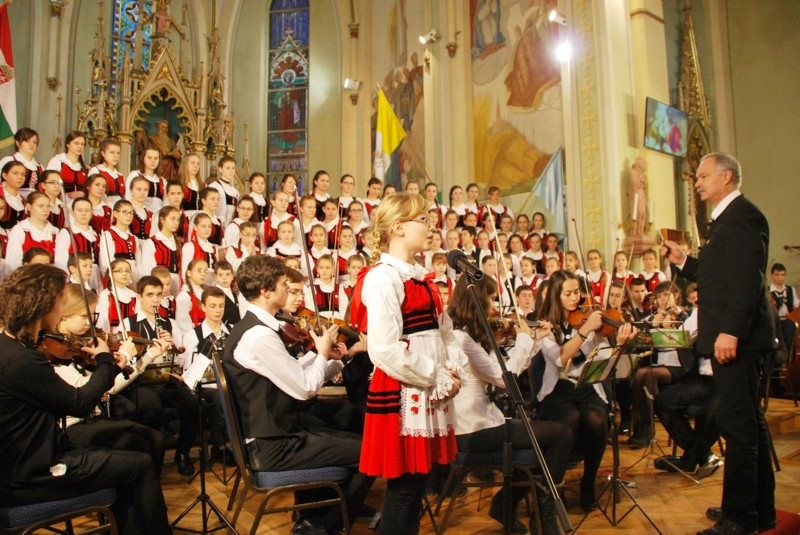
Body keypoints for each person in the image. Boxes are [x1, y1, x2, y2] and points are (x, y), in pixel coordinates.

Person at [0, 264, 170, 535]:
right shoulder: (23, 361)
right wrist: (104, 360)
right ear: (45, 306)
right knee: (141, 464)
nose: (62, 309)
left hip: (26, 462)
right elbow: (79, 403)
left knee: (133, 458)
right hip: (31, 475)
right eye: (61, 301)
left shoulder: (11, 347)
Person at [662, 152, 775, 535]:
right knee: (748, 425)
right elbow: (717, 276)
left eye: (703, 175)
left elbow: (747, 281)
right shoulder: (726, 220)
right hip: (734, 336)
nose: (696, 182)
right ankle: (758, 510)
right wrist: (684, 261)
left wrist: (731, 331)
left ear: (727, 177)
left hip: (738, 340)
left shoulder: (743, 217)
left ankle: (740, 519)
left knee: (739, 428)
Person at [222, 255, 373, 534]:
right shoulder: (259, 336)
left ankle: (315, 518)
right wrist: (322, 352)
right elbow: (304, 388)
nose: (288, 289)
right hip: (272, 446)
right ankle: (325, 526)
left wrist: (334, 356)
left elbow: (292, 372)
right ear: (266, 291)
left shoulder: (257, 328)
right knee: (370, 451)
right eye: (283, 284)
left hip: (275, 434)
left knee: (344, 431)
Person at [349, 193, 462, 535]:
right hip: (406, 387)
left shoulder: (419, 276)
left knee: (419, 483)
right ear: (398, 227)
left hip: (428, 386)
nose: (431, 226)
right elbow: (384, 348)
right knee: (405, 487)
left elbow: (444, 330)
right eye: (423, 219)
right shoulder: (383, 278)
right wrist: (436, 375)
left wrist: (452, 368)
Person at [448, 274, 572, 534]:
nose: (494, 307)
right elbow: (504, 377)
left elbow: (506, 367)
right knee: (560, 434)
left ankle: (508, 504)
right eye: (491, 299)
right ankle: (543, 516)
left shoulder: (468, 336)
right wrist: (524, 339)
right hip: (471, 430)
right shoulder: (461, 340)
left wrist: (534, 339)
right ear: (476, 301)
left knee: (544, 439)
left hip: (484, 422)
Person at [536, 270, 637, 512]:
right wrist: (585, 331)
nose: (575, 298)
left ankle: (588, 482)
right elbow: (559, 359)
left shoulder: (590, 319)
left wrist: (619, 345)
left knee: (597, 417)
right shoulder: (546, 326)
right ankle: (556, 485)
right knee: (570, 417)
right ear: (556, 296)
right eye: (568, 293)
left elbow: (604, 359)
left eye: (577, 292)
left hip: (587, 386)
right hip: (558, 390)